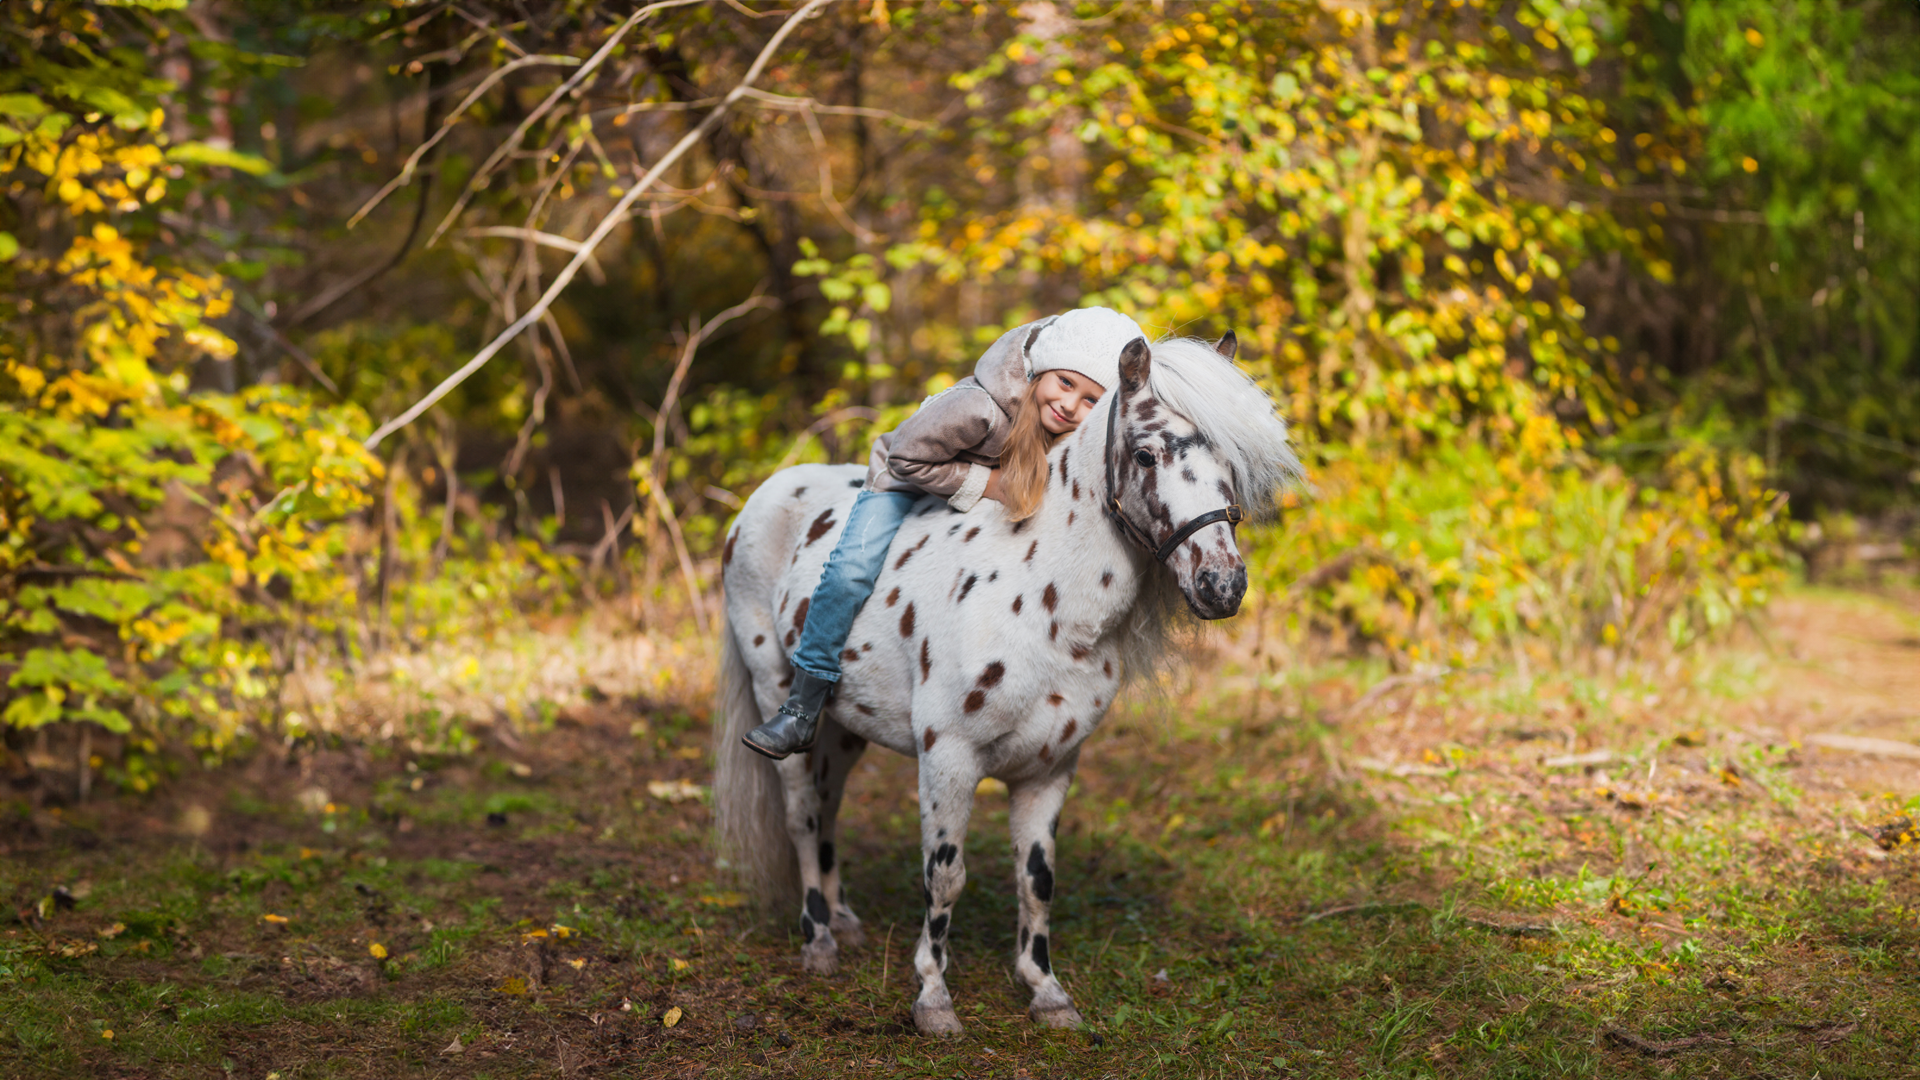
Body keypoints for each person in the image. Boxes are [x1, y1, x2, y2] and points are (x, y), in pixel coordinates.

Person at [742, 306, 1146, 760]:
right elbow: (906, 458)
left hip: (973, 495)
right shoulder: (980, 409)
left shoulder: (1074, 432)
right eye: (1066, 383)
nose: (1070, 405)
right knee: (850, 572)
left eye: (1092, 399)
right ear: (1042, 371)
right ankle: (801, 706)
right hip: (904, 481)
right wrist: (993, 486)